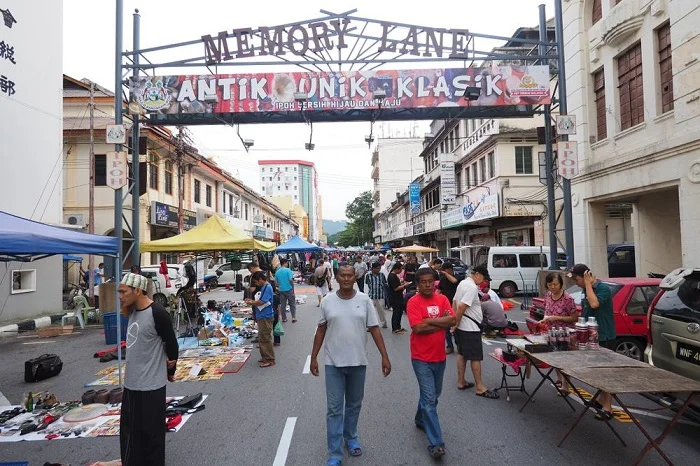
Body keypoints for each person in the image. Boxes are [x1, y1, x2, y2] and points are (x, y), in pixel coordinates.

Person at [310, 264, 391, 466]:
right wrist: (313, 357)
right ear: (336, 277)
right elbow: (320, 330)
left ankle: (351, 437)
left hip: (358, 362)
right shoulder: (327, 301)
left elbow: (374, 329)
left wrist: (384, 356)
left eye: (350, 275)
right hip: (333, 364)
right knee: (334, 409)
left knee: (354, 405)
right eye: (342, 275)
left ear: (355, 278)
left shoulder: (364, 300)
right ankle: (335, 453)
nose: (346, 278)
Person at [118, 273, 178, 466]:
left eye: (123, 291)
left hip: (151, 386)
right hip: (131, 384)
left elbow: (172, 345)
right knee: (130, 433)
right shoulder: (132, 310)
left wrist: (171, 371)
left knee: (152, 435)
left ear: (138, 290)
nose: (120, 295)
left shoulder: (158, 313)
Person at [407, 268, 456, 459]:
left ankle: (420, 418)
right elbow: (418, 328)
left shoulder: (442, 299)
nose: (427, 285)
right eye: (423, 282)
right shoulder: (413, 302)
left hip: (439, 357)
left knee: (434, 395)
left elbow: (452, 319)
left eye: (430, 282)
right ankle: (437, 443)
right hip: (420, 358)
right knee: (429, 399)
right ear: (418, 284)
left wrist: (430, 321)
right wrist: (439, 322)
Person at [568, 264, 615, 419]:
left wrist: (588, 285)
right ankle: (601, 400)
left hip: (604, 335)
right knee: (597, 371)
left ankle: (608, 407)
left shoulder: (602, 289)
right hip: (590, 336)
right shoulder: (585, 290)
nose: (576, 283)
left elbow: (594, 304)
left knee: (605, 373)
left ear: (587, 275)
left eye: (577, 279)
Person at [452, 265, 499, 398]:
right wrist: (456, 323)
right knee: (475, 357)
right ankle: (480, 387)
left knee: (462, 353)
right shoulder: (472, 287)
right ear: (477, 274)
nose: (484, 282)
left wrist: (455, 322)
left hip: (463, 327)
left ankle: (461, 381)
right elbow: (461, 306)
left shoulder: (462, 283)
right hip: (470, 328)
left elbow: (454, 302)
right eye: (484, 278)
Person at [541, 272, 578, 392]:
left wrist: (557, 318)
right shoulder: (547, 295)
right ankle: (558, 378)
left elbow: (574, 318)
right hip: (552, 332)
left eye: (555, 284)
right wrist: (544, 320)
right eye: (550, 284)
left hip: (566, 334)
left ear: (561, 284)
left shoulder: (567, 298)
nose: (553, 287)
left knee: (565, 360)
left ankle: (566, 385)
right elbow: (546, 311)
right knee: (555, 358)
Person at [245, 271, 276, 367]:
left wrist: (251, 303)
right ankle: (265, 357)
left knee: (265, 338)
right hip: (262, 315)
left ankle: (269, 359)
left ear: (261, 279)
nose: (256, 284)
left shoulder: (267, 287)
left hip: (265, 316)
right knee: (262, 338)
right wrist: (253, 302)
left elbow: (262, 302)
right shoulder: (264, 287)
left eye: (256, 282)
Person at [438, 263, 459, 354]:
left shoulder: (459, 276)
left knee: (456, 327)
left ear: (450, 270)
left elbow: (454, 281)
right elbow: (439, 290)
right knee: (446, 327)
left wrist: (447, 274)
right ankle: (450, 346)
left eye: (444, 271)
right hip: (446, 306)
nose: (443, 273)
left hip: (456, 306)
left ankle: (459, 346)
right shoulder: (443, 279)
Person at [364, 262, 388, 328]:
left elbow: (385, 284)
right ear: (373, 268)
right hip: (371, 295)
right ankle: (371, 325)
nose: (379, 270)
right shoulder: (368, 275)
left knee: (381, 311)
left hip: (381, 295)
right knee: (370, 311)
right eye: (377, 268)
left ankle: (384, 323)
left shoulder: (382, 275)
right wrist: (365, 295)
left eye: (380, 268)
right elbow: (366, 285)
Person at [387, 262, 409, 334]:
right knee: (396, 312)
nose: (400, 271)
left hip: (399, 296)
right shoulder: (391, 276)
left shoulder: (395, 276)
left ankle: (398, 326)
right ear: (396, 269)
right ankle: (394, 328)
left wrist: (402, 283)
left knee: (399, 312)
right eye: (400, 270)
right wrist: (405, 285)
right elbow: (396, 288)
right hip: (394, 297)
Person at [275, 258, 297, 323]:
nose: (287, 264)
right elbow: (290, 280)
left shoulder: (277, 272)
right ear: (285, 263)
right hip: (289, 289)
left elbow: (276, 283)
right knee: (292, 304)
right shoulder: (288, 270)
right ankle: (293, 318)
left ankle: (284, 319)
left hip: (281, 290)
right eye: (287, 263)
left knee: (283, 305)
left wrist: (280, 286)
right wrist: (292, 286)